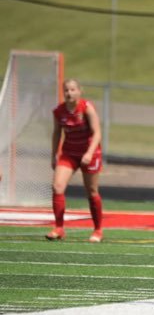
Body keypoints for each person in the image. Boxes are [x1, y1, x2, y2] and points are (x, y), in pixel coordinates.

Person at [46, 79, 103, 243]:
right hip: (69, 153)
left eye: (72, 90)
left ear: (79, 91)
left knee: (91, 191)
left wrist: (89, 153)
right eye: (66, 90)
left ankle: (98, 229)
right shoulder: (59, 111)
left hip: (89, 153)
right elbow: (57, 133)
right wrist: (53, 154)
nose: (69, 93)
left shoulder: (86, 108)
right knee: (57, 186)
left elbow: (97, 133)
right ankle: (59, 228)